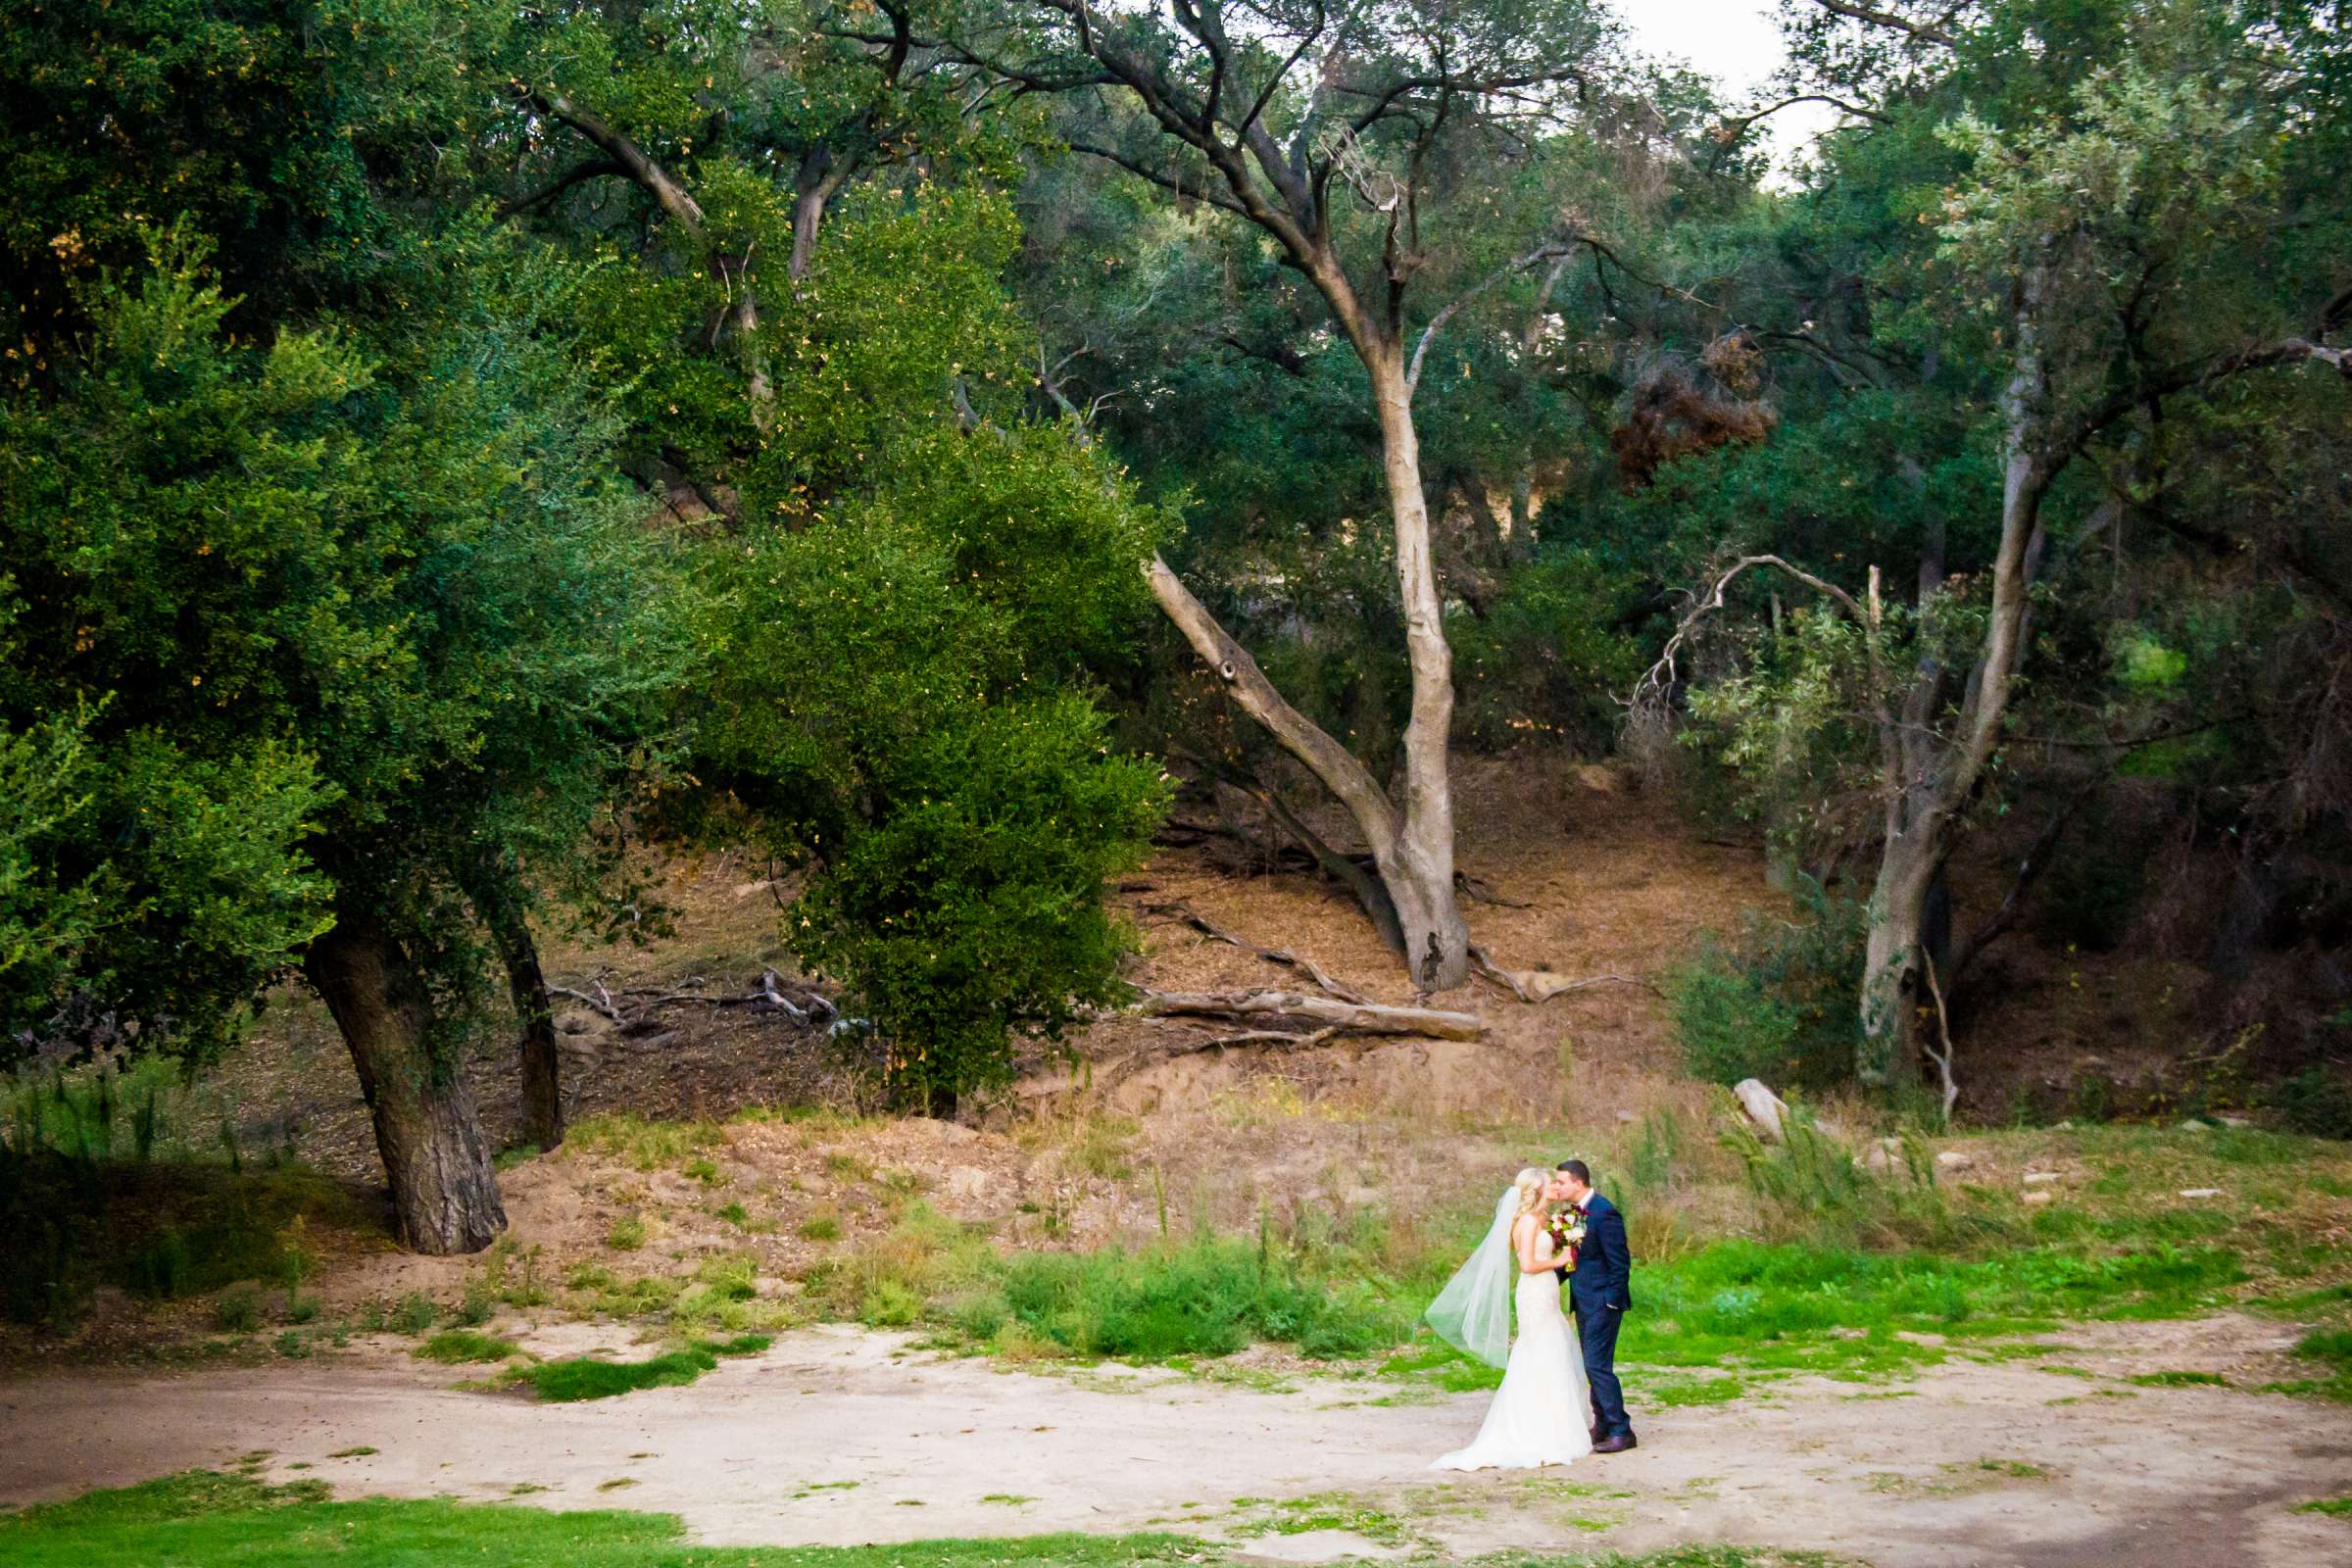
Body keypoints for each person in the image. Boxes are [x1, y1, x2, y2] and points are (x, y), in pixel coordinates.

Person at [1423, 1167, 1594, 1471]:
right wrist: (1561, 1260)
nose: (1555, 1186)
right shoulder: (1527, 1222)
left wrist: (1568, 1240)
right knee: (1540, 1351)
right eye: (1550, 1183)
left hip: (1547, 1292)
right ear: (1538, 1189)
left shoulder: (1544, 1219)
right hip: (1533, 1294)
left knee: (1555, 1350)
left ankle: (1556, 1422)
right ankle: (1537, 1429)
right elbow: (1528, 1264)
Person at [1554, 1158, 1636, 1452]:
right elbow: (1572, 1260)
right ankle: (1601, 1423)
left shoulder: (1604, 1213)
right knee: (1592, 1365)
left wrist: (1612, 1301)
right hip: (1584, 1301)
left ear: (1578, 1182)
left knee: (1597, 1366)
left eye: (1561, 1182)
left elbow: (1619, 1262)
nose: (1556, 1187)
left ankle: (1621, 1429)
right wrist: (1547, 1282)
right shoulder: (1572, 1215)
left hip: (1603, 1302)